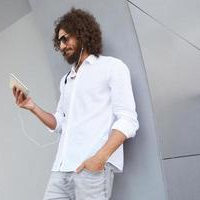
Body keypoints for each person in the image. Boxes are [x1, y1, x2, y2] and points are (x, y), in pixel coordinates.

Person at [12, 8, 139, 200]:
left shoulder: (112, 67)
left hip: (91, 169)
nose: (62, 46)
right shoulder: (66, 80)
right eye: (59, 42)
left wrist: (100, 158)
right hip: (61, 170)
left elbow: (128, 119)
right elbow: (59, 123)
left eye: (66, 38)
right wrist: (33, 107)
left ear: (82, 33)